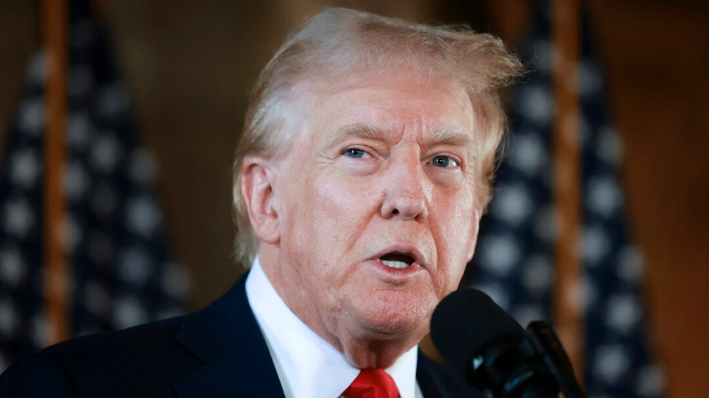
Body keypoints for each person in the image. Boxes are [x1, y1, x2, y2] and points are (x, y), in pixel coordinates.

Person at [0, 8, 522, 398]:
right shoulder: (76, 389)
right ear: (266, 200)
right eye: (360, 151)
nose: (410, 198)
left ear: (473, 225)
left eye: (444, 161)